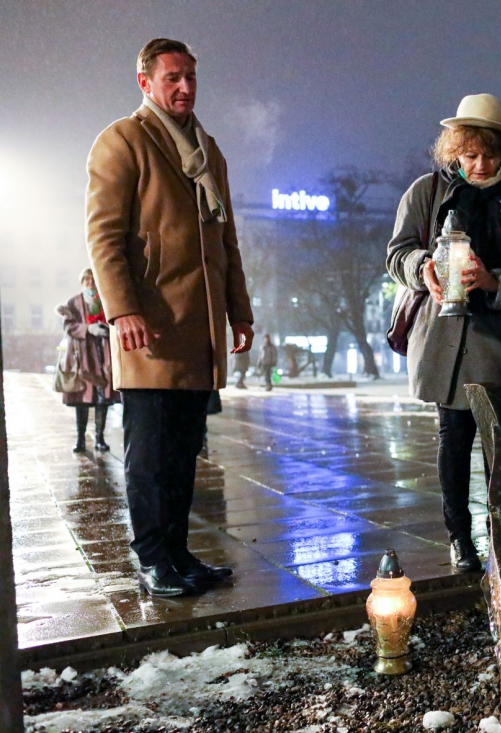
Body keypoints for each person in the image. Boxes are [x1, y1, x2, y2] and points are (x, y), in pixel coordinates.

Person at [86, 38, 254, 596]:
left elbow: (226, 242)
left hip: (198, 331)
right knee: (150, 456)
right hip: (151, 328)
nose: (185, 88)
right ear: (145, 82)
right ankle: (153, 558)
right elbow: (104, 237)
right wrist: (123, 310)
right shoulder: (123, 140)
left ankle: (179, 554)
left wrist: (239, 312)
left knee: (183, 453)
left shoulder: (208, 150)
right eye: (172, 78)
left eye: (191, 77)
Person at [386, 93, 501, 572]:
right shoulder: (426, 191)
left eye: (488, 155)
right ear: (454, 149)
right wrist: (422, 267)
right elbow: (397, 253)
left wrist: (493, 281)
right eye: (469, 154)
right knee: (453, 438)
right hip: (442, 339)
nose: (479, 165)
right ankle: (459, 537)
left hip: (499, 343)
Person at [57, 268, 121, 452]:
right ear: (82, 282)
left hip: (103, 356)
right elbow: (68, 325)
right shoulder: (74, 302)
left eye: (93, 280)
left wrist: (106, 329)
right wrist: (88, 329)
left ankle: (100, 439)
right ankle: (80, 439)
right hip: (83, 357)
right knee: (82, 400)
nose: (90, 284)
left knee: (102, 399)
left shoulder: (105, 301)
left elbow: (115, 321)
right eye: (87, 280)